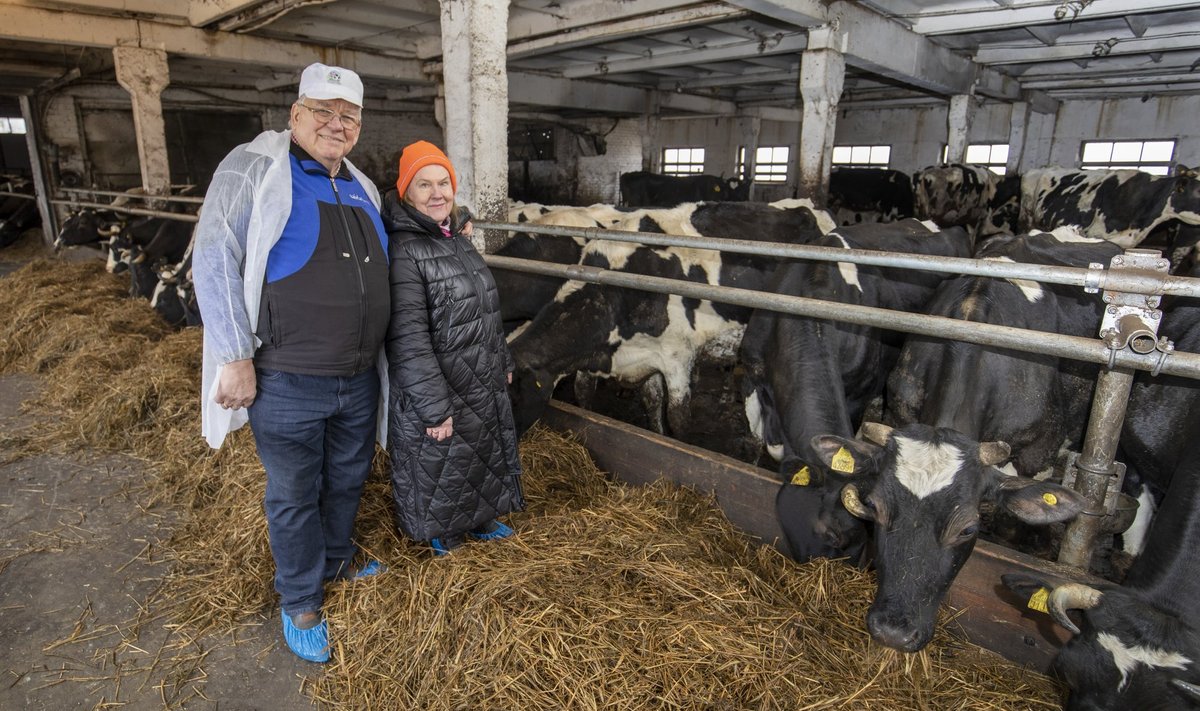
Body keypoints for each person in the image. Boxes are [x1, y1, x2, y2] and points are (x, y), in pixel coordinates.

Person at [192, 63, 388, 664]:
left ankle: (334, 557)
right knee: (295, 489)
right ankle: (300, 597)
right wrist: (234, 356)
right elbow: (215, 255)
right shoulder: (255, 169)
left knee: (348, 477)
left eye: (348, 116)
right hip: (286, 375)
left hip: (358, 376)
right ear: (295, 115)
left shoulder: (361, 184)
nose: (337, 124)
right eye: (323, 111)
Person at [381, 140, 524, 556]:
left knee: (475, 452)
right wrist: (431, 405)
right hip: (440, 383)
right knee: (441, 460)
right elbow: (407, 338)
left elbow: (485, 307)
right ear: (406, 192)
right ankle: (444, 532)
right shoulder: (405, 251)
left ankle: (479, 518)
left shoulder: (455, 237)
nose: (437, 193)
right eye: (424, 185)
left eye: (444, 182)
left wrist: (504, 358)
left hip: (476, 373)